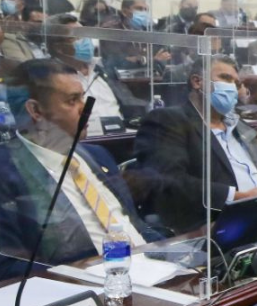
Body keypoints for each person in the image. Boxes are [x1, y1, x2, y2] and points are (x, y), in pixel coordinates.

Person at [0, 59, 157, 280]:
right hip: (82, 291)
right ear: (36, 111)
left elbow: (135, 226)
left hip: (152, 271)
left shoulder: (97, 155)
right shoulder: (6, 172)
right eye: (73, 100)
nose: (86, 109)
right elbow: (9, 267)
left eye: (83, 97)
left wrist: (174, 250)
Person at [133, 54, 257, 234]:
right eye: (225, 78)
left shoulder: (241, 126)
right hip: (215, 226)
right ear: (197, 82)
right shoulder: (168, 120)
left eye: (236, 83)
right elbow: (169, 180)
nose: (232, 87)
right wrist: (239, 198)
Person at [48, 16, 147, 134]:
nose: (85, 40)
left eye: (85, 34)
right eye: (78, 37)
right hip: (84, 142)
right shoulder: (53, 78)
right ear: (59, 48)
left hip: (123, 136)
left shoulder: (102, 68)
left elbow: (129, 102)